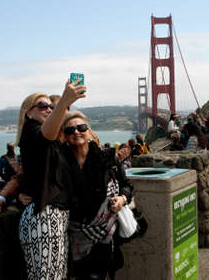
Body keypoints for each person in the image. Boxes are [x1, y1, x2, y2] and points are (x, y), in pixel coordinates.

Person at [18, 79, 86, 280]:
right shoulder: (32, 132)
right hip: (45, 216)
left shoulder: (51, 142)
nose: (48, 109)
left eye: (51, 106)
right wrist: (64, 100)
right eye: (42, 106)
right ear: (27, 112)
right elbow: (46, 133)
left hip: (53, 215)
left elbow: (30, 172)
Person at [63, 111, 134, 279]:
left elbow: (127, 186)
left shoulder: (107, 159)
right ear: (64, 136)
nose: (76, 132)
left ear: (89, 131)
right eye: (70, 130)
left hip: (105, 236)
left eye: (81, 127)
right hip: (72, 235)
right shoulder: (59, 162)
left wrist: (122, 199)